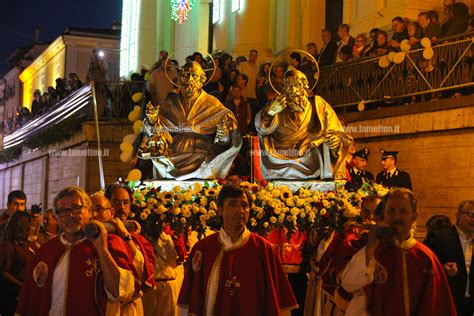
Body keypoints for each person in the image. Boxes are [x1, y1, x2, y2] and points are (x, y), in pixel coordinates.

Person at [16, 186, 140, 316]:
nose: (70, 215)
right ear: (57, 218)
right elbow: (30, 298)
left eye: (76, 208)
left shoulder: (111, 243)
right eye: (63, 211)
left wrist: (102, 249)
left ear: (90, 212)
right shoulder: (47, 250)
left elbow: (120, 292)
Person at [177, 184, 298, 315]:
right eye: (233, 204)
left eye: (244, 205)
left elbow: (278, 300)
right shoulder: (203, 249)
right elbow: (191, 298)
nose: (240, 210)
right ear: (220, 210)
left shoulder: (263, 249)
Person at [340, 188, 457, 316]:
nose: (396, 216)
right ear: (384, 213)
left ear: (414, 215)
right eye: (391, 210)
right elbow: (348, 285)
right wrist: (370, 247)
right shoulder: (370, 247)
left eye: (403, 211)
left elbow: (435, 304)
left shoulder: (425, 257)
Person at [143, 61, 242, 180]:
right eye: (185, 75)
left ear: (202, 80)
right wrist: (153, 120)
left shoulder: (212, 103)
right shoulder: (170, 103)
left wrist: (223, 134)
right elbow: (157, 133)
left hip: (201, 152)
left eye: (194, 75)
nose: (189, 79)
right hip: (174, 151)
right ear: (179, 79)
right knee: (162, 160)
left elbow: (225, 139)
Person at [255, 69, 350, 180]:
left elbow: (335, 130)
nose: (294, 90)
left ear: (305, 87)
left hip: (311, 153)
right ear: (284, 88)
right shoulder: (276, 106)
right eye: (289, 86)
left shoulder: (318, 104)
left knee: (324, 142)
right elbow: (260, 127)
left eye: (297, 85)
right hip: (281, 155)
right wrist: (270, 113)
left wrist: (337, 140)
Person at [424, 200, 474, 316]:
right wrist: (442, 270)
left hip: (470, 306)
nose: (473, 219)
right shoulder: (439, 238)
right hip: (447, 302)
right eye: (470, 214)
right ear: (458, 215)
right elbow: (423, 266)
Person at [104, 184, 156, 294]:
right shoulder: (102, 233)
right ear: (107, 203)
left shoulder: (134, 233)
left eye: (126, 202)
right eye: (117, 202)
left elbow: (144, 267)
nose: (122, 207)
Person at [0, 212, 35, 316]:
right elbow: (3, 271)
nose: (31, 228)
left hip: (24, 293)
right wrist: (22, 285)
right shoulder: (8, 246)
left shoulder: (24, 245)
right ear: (21, 226)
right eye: (30, 225)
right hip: (11, 295)